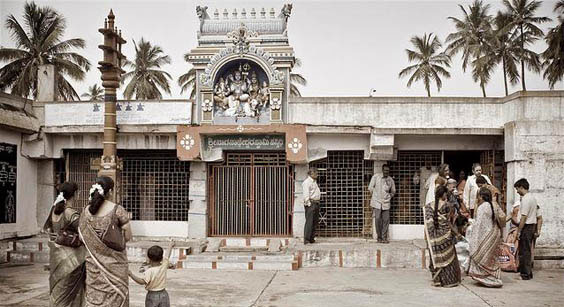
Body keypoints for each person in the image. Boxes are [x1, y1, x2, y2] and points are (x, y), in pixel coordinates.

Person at [79, 176, 133, 307]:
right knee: (117, 293)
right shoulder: (117, 210)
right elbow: (128, 236)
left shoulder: (86, 211)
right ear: (110, 191)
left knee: (95, 295)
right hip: (115, 266)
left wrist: (97, 243)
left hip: (93, 264)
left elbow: (81, 237)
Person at [43, 182, 86, 307]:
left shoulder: (54, 210)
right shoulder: (70, 213)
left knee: (58, 291)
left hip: (56, 257)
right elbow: (84, 232)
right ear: (75, 194)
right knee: (71, 292)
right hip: (73, 259)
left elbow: (48, 230)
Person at [467, 187, 505, 287]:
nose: (478, 198)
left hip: (485, 236)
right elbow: (502, 217)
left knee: (480, 255)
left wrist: (472, 230)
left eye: (478, 195)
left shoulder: (482, 207)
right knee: (490, 258)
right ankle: (493, 277)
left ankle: (487, 279)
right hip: (494, 235)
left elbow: (478, 224)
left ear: (481, 196)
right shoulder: (494, 204)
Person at [424, 185, 461, 287]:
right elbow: (450, 222)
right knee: (448, 258)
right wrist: (457, 233)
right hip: (446, 237)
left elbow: (428, 226)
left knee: (435, 257)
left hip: (434, 239)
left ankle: (437, 280)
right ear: (444, 194)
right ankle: (448, 281)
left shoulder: (428, 206)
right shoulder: (448, 206)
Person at [129, 241, 175, 307]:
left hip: (152, 296)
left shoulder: (149, 271)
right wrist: (170, 245)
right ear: (161, 258)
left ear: (149, 259)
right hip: (164, 294)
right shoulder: (164, 265)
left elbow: (142, 282)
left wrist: (131, 274)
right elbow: (168, 255)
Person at [514, 178, 539, 280]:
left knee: (525, 251)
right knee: (527, 250)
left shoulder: (525, 199)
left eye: (517, 189)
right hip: (531, 226)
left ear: (521, 187)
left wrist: (519, 231)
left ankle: (525, 274)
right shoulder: (532, 198)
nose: (517, 191)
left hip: (526, 226)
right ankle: (527, 272)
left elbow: (523, 217)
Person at [368, 164, 396, 243]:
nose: (386, 172)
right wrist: (375, 195)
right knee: (377, 220)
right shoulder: (376, 177)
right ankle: (379, 237)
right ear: (382, 170)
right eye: (385, 170)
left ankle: (384, 238)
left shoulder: (390, 180)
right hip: (377, 202)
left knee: (386, 220)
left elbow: (393, 191)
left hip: (386, 203)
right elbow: (370, 187)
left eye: (388, 171)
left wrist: (390, 196)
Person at [302, 167, 321, 244]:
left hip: (315, 203)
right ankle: (306, 240)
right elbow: (306, 194)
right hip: (311, 203)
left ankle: (311, 238)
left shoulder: (313, 182)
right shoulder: (307, 182)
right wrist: (309, 204)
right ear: (311, 173)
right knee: (309, 222)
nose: (317, 174)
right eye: (316, 173)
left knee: (314, 222)